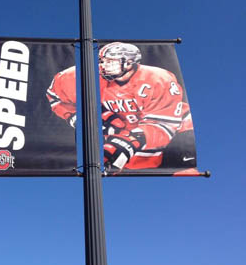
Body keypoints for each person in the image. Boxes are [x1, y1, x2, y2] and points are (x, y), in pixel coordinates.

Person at [46, 42, 194, 171]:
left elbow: (163, 123)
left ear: (129, 63)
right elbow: (55, 95)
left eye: (111, 61)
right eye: (102, 61)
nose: (104, 65)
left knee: (182, 174)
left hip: (173, 140)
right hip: (120, 143)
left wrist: (130, 140)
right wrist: (77, 117)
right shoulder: (82, 75)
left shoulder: (158, 79)